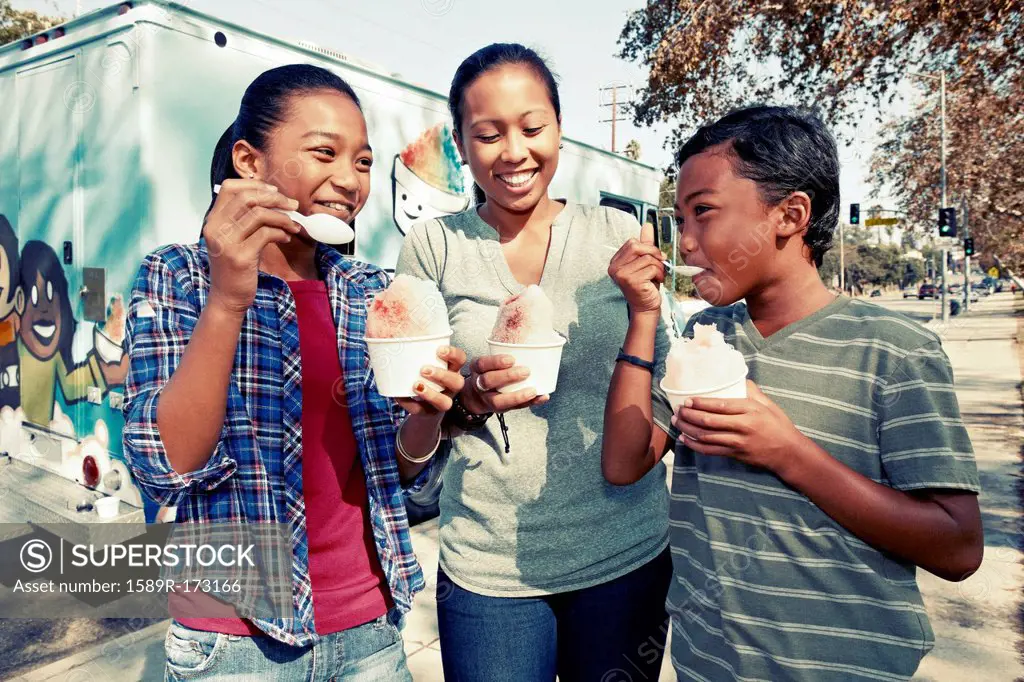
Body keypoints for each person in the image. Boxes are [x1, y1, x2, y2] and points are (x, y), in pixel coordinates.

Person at [603, 105, 983, 681]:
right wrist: (644, 316)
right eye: (679, 220)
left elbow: (958, 549)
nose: (685, 243)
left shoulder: (894, 350)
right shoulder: (704, 338)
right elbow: (624, 463)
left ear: (791, 214)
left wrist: (790, 453)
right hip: (709, 665)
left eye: (703, 212)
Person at [122, 64, 466, 681]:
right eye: (324, 153)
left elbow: (400, 470)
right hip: (231, 643)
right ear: (249, 162)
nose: (349, 181)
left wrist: (427, 420)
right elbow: (166, 465)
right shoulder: (178, 276)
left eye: (362, 162)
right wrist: (229, 298)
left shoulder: (370, 291)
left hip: (370, 631)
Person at [396, 43, 673, 681]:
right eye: (487, 134)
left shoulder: (616, 235)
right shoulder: (434, 247)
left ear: (559, 130)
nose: (514, 152)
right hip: (488, 568)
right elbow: (413, 424)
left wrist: (639, 450)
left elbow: (667, 379)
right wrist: (466, 402)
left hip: (624, 555)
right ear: (462, 146)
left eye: (532, 127)